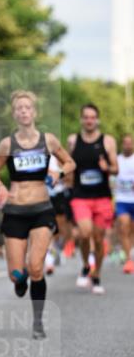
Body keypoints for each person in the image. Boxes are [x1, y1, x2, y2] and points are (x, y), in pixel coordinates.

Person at [0, 91, 75, 338]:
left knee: (36, 267)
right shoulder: (7, 144)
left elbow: (70, 163)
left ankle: (37, 322)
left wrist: (59, 173)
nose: (24, 111)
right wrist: (1, 187)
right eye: (20, 108)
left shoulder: (48, 141)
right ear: (15, 114)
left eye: (28, 108)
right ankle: (20, 279)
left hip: (41, 210)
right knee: (17, 274)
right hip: (14, 211)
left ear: (34, 112)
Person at [67, 104, 118, 294]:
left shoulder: (108, 141)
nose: (89, 120)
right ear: (81, 119)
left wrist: (107, 167)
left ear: (97, 120)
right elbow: (68, 164)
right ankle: (85, 265)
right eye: (86, 117)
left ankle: (96, 275)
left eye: (92, 117)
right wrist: (66, 183)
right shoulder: (73, 141)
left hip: (102, 197)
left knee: (98, 239)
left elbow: (116, 168)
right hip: (80, 196)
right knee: (84, 232)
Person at [115, 133, 134, 273]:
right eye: (125, 143)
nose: (127, 145)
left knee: (132, 230)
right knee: (124, 227)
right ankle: (129, 260)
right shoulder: (117, 160)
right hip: (121, 199)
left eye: (130, 143)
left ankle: (130, 251)